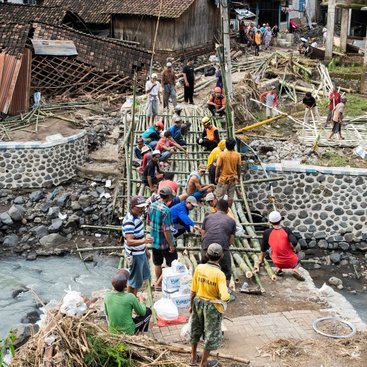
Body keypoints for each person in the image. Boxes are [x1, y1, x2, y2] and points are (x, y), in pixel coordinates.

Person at [190, 243, 230, 367]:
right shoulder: (220, 274)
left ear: (206, 254)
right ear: (221, 256)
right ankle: (203, 362)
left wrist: (191, 305)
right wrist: (227, 296)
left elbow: (193, 290)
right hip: (212, 307)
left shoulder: (199, 268)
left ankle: (192, 357)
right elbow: (224, 296)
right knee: (210, 334)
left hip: (198, 302)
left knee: (195, 329)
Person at [259, 211, 305, 281]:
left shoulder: (267, 232)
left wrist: (261, 261)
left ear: (270, 221)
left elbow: (263, 250)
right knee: (296, 248)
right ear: (280, 220)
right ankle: (296, 269)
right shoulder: (287, 230)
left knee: (271, 248)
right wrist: (293, 248)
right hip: (291, 262)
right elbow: (294, 242)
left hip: (277, 261)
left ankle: (279, 268)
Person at [104, 269, 152, 335]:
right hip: (127, 331)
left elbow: (107, 313)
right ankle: (140, 332)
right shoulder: (130, 297)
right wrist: (141, 301)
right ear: (126, 285)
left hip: (112, 330)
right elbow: (142, 313)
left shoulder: (107, 296)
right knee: (148, 311)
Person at [148, 187, 177, 290]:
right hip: (164, 243)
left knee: (157, 263)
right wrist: (171, 245)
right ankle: (159, 283)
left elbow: (148, 221)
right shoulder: (166, 210)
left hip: (154, 240)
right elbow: (167, 230)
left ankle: (157, 282)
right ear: (168, 197)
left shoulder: (152, 206)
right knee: (172, 263)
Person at [201, 200, 236, 286]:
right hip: (222, 247)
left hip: (206, 246)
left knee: (203, 268)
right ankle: (225, 291)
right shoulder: (231, 221)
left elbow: (203, 234)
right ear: (227, 210)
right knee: (226, 271)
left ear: (216, 208)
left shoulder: (207, 217)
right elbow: (231, 239)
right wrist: (225, 246)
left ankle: (202, 289)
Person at [122, 196, 153, 295]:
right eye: (139, 208)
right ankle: (131, 299)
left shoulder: (137, 217)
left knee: (137, 278)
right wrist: (145, 241)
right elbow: (130, 241)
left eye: (142, 207)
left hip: (140, 251)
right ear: (132, 207)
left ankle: (133, 297)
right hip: (134, 254)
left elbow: (139, 234)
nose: (141, 209)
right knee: (134, 280)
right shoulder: (129, 221)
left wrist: (145, 250)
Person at [215, 138, 241, 208]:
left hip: (223, 179)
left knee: (218, 196)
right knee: (230, 196)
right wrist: (239, 177)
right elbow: (239, 167)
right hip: (233, 179)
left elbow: (218, 167)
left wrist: (216, 177)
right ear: (234, 146)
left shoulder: (222, 155)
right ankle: (228, 210)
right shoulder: (238, 155)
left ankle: (217, 210)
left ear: (226, 145)